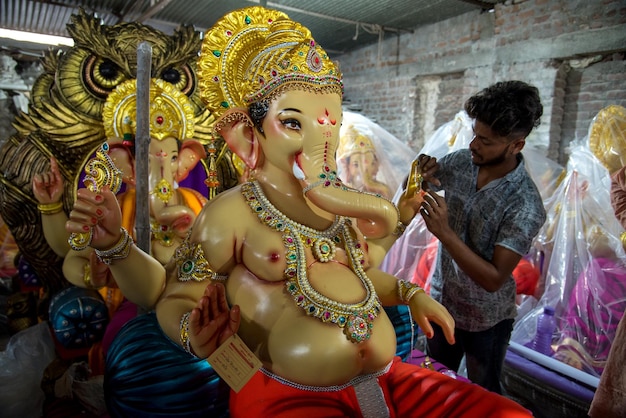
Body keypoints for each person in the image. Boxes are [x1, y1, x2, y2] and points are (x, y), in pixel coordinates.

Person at [66, 7, 532, 417]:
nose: (318, 141)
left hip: (384, 380)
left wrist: (411, 294)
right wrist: (194, 331)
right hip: (284, 393)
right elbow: (175, 296)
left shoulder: (336, 210)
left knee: (507, 414)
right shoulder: (232, 213)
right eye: (293, 123)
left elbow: (362, 276)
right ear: (250, 135)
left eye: (330, 124)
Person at [418, 80, 547, 394]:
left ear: (516, 145)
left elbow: (493, 278)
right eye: (475, 133)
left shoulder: (524, 203)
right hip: (443, 301)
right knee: (437, 379)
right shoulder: (462, 163)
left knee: (483, 390)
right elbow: (425, 186)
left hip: (486, 320)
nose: (474, 144)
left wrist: (445, 234)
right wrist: (420, 174)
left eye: (486, 141)